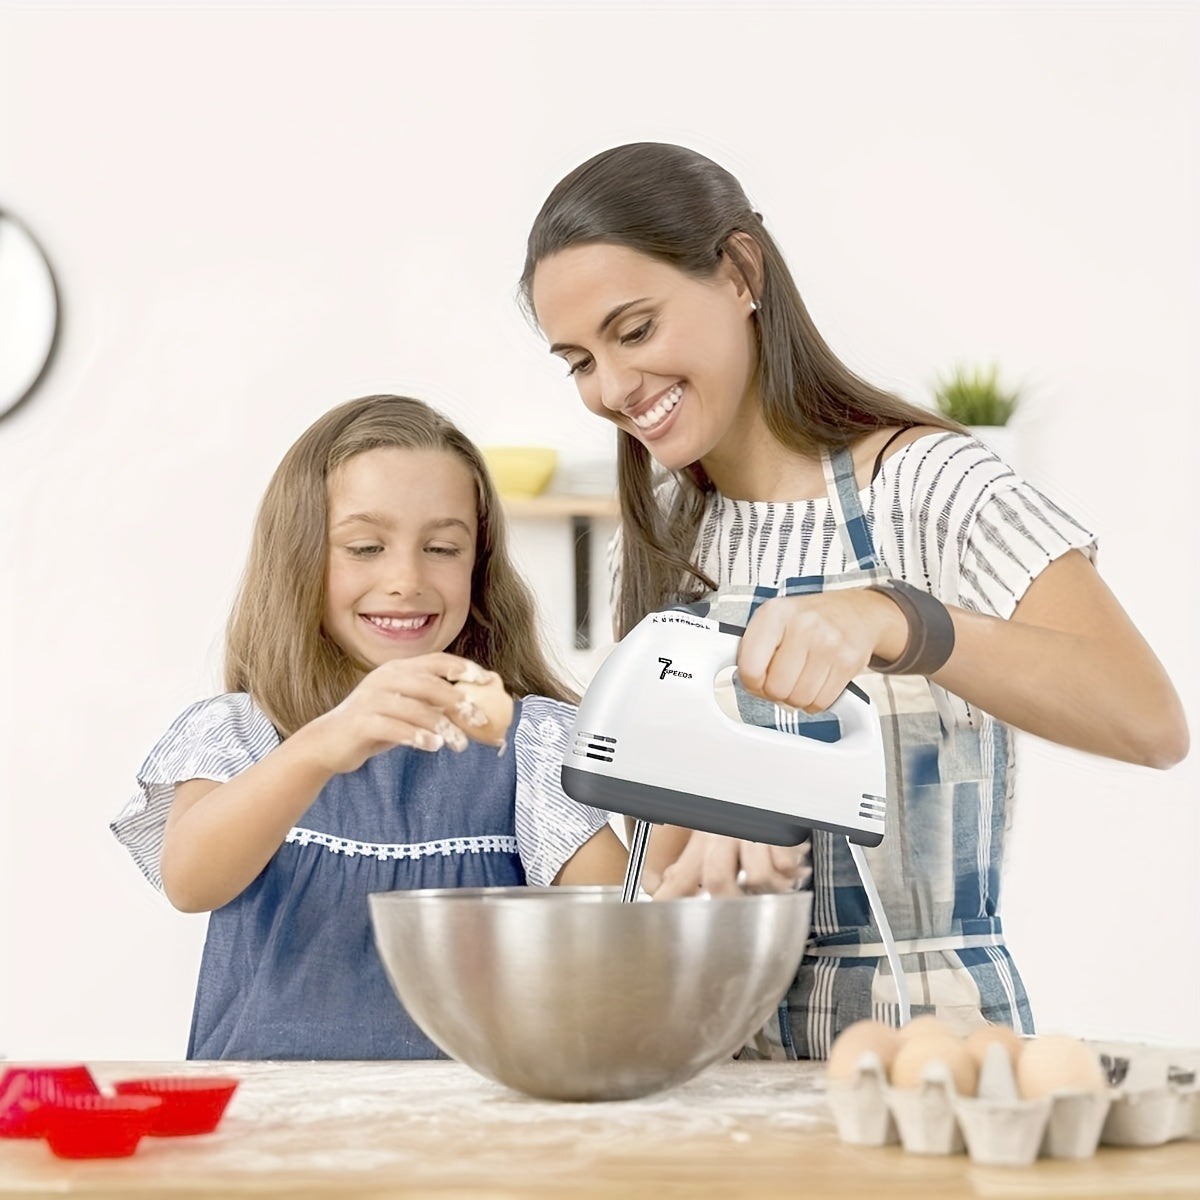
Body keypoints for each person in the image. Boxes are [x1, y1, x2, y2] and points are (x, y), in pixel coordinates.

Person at [519, 142, 1189, 1058]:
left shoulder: (928, 486)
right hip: (723, 1061)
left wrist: (900, 619)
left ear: (740, 272)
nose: (611, 388)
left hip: (932, 1050)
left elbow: (1147, 720)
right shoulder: (675, 535)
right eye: (579, 361)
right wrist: (708, 846)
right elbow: (661, 860)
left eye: (633, 331)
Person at [111, 394, 628, 1060]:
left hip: (467, 1133)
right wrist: (322, 746)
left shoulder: (525, 745)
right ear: (300, 558)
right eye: (365, 546)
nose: (406, 579)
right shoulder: (238, 733)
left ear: (480, 564)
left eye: (443, 547)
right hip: (268, 1137)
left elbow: (624, 925)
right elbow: (192, 880)